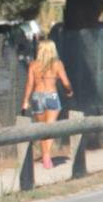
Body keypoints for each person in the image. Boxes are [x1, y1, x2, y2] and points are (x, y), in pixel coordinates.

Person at [22, 39, 74, 170]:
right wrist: (69, 91)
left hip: (37, 96)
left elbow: (29, 84)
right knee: (50, 129)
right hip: (51, 96)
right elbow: (66, 82)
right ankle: (46, 157)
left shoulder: (33, 65)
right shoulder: (57, 64)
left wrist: (25, 101)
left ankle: (45, 155)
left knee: (41, 129)